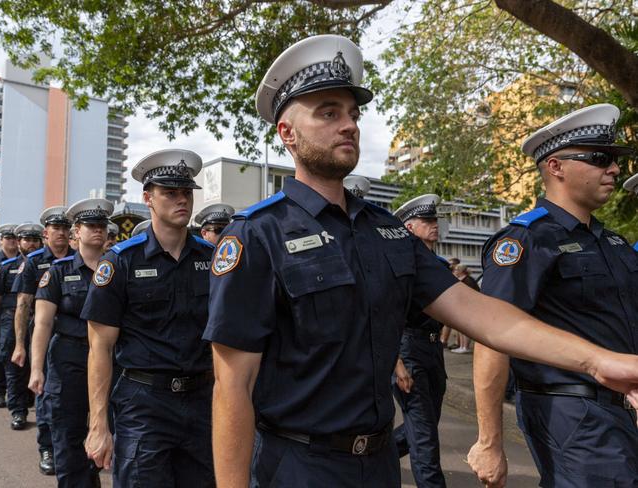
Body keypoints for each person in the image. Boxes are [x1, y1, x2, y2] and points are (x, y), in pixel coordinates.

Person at [203, 35, 638, 488]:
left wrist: (597, 360)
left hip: (379, 464)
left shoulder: (384, 230)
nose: (349, 125)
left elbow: (487, 317)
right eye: (328, 113)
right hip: (295, 467)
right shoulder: (257, 234)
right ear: (287, 134)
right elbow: (232, 387)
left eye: (353, 114)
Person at [467, 103, 637, 488]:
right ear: (556, 167)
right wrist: (490, 442)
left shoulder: (611, 241)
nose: (614, 169)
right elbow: (491, 337)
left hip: (621, 408)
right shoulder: (527, 239)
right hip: (573, 412)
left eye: (614, 160)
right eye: (600, 158)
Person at [81, 149, 216, 488]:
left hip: (203, 399)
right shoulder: (122, 261)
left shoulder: (212, 259)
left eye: (186, 192)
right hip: (144, 404)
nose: (181, 200)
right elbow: (99, 346)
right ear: (148, 198)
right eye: (170, 192)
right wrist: (99, 425)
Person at [29, 198, 114, 488]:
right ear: (77, 231)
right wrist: (36, 369)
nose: (98, 231)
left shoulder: (117, 268)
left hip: (111, 360)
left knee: (111, 432)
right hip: (69, 359)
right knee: (68, 432)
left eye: (102, 225)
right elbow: (42, 324)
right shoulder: (58, 271)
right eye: (91, 225)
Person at [391, 194, 449, 487]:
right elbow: (388, 314)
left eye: (435, 220)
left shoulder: (438, 264)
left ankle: (367, 460)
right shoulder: (401, 265)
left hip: (433, 349)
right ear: (410, 228)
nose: (434, 225)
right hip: (408, 348)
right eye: (427, 221)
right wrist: (397, 363)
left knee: (423, 428)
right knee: (425, 438)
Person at [11, 206, 74, 475]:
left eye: (65, 228)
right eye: (56, 229)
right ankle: (47, 447)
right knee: (46, 393)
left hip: (74, 339)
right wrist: (19, 344)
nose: (61, 233)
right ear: (46, 233)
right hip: (44, 337)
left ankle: (72, 446)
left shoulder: (79, 258)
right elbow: (23, 304)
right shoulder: (35, 261)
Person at [0, 222, 43, 430]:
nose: (31, 243)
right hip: (11, 321)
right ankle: (18, 411)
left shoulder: (48, 264)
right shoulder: (7, 267)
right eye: (26, 240)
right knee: (14, 366)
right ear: (20, 243)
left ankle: (33, 403)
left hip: (40, 322)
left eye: (34, 240)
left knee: (36, 365)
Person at [0, 225, 18, 409]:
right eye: (8, 238)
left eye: (15, 238)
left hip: (14, 314)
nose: (12, 241)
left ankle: (16, 392)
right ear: (2, 240)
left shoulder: (24, 262)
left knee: (12, 356)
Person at [450, 264, 479, 354]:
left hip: (469, 307)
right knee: (461, 329)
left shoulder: (468, 280)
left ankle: (465, 347)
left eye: (455, 270)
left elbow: (471, 295)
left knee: (465, 329)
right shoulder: (461, 279)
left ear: (461, 271)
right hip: (462, 306)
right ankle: (462, 346)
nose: (454, 271)